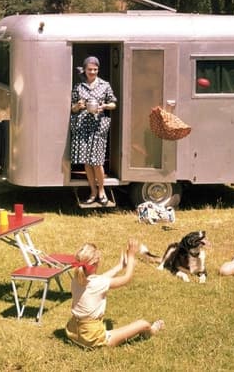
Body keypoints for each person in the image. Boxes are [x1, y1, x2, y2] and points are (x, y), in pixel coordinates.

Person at [65, 238, 164, 348]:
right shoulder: (98, 283)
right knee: (143, 324)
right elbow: (127, 278)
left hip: (73, 331)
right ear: (95, 264)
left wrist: (120, 266)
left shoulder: (77, 279)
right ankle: (152, 330)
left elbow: (101, 279)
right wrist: (131, 256)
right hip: (92, 338)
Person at [70, 56, 118, 206]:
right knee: (87, 162)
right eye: (90, 69)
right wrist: (78, 106)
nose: (92, 72)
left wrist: (104, 106)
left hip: (98, 127)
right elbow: (72, 108)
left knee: (97, 162)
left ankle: (102, 191)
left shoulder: (105, 85)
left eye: (95, 69)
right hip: (83, 127)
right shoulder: (79, 87)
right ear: (84, 70)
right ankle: (92, 191)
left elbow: (114, 104)